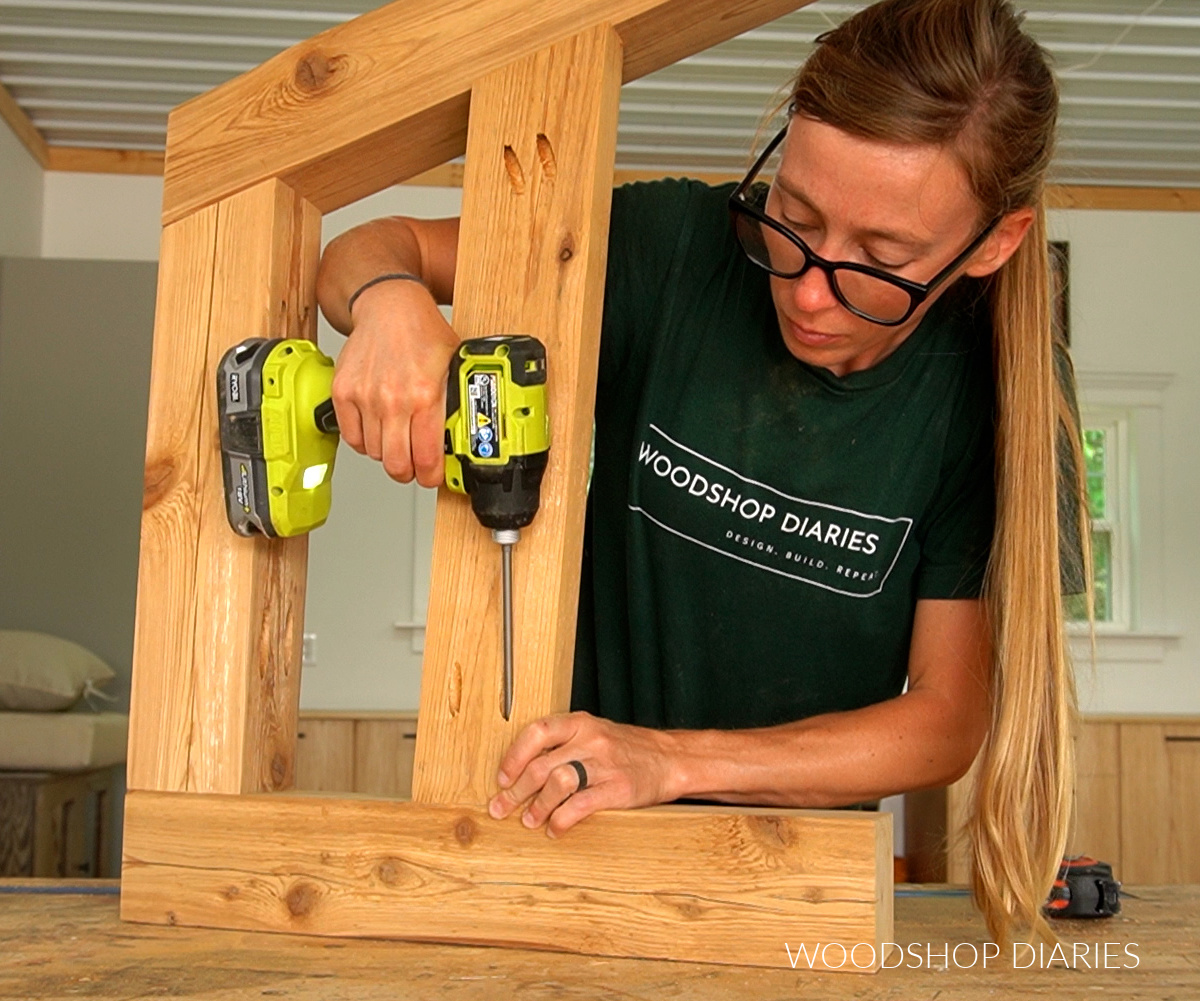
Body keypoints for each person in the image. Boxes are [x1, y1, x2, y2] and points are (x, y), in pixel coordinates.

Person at [316, 0, 1087, 946]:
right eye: (792, 218)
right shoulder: (674, 248)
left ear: (994, 245)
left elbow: (942, 720)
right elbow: (363, 248)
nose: (807, 291)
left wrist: (669, 761)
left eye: (880, 261)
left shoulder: (992, 397)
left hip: (787, 890)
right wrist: (388, 303)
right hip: (556, 847)